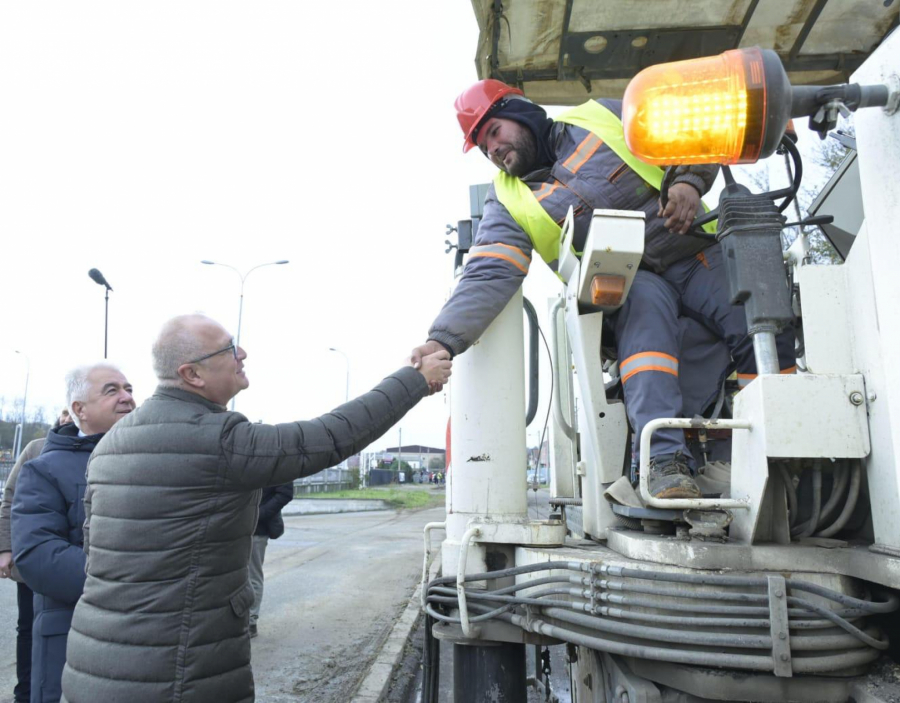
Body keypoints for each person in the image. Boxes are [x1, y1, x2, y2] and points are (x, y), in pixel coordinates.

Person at [410, 79, 794, 499]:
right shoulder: (506, 199)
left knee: (759, 314)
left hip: (692, 249)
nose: (493, 150)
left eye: (494, 132)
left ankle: (785, 443)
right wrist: (442, 339)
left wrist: (688, 182)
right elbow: (487, 274)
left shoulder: (603, 116)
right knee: (646, 327)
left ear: (519, 111)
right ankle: (664, 462)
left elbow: (687, 134)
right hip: (630, 283)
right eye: (484, 147)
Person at [61, 313, 451, 703]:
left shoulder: (110, 445)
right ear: (192, 374)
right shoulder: (219, 440)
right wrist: (413, 380)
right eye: (229, 349)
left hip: (94, 664)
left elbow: (92, 551)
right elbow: (333, 435)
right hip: (176, 671)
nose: (242, 354)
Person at [11, 365, 135, 703]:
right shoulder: (44, 468)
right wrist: (129, 585)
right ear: (79, 409)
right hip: (74, 637)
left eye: (128, 388)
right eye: (112, 390)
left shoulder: (154, 461)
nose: (127, 397)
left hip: (148, 640)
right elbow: (39, 556)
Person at [1, 408, 72, 703]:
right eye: (65, 411)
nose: (68, 417)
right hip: (34, 560)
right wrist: (5, 548)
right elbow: (10, 499)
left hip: (74, 561)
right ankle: (24, 694)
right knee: (29, 629)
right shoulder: (36, 448)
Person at [248, 481, 293, 638]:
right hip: (235, 527)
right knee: (234, 577)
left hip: (257, 529)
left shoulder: (277, 465)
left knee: (252, 577)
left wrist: (259, 513)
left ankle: (250, 622)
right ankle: (237, 620)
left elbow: (286, 493)